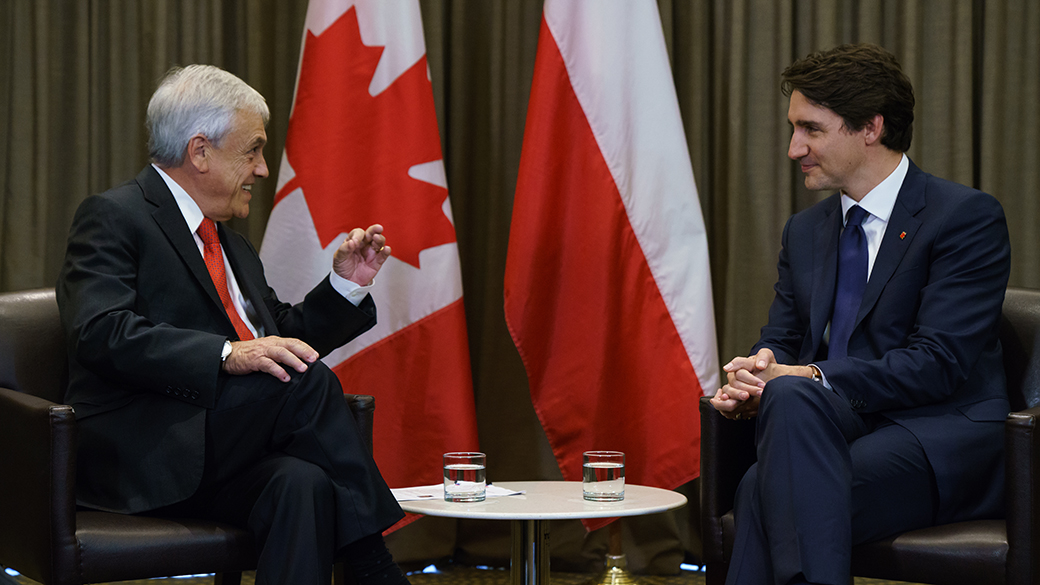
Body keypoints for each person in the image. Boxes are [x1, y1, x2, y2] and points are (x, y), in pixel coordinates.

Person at [57, 64, 409, 585]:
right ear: (200, 152)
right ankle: (372, 565)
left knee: (303, 483)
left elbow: (281, 342)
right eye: (253, 150)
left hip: (227, 451)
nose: (264, 169)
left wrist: (344, 287)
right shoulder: (114, 217)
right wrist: (224, 353)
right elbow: (100, 331)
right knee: (305, 384)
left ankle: (367, 561)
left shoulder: (232, 244)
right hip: (148, 450)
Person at [710, 44, 1011, 585]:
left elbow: (938, 362)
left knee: (761, 488)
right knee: (787, 395)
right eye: (793, 129)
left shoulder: (964, 217)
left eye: (811, 130)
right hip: (839, 426)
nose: (793, 148)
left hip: (934, 433)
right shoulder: (805, 232)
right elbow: (781, 341)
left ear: (870, 128)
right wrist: (755, 374)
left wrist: (807, 375)